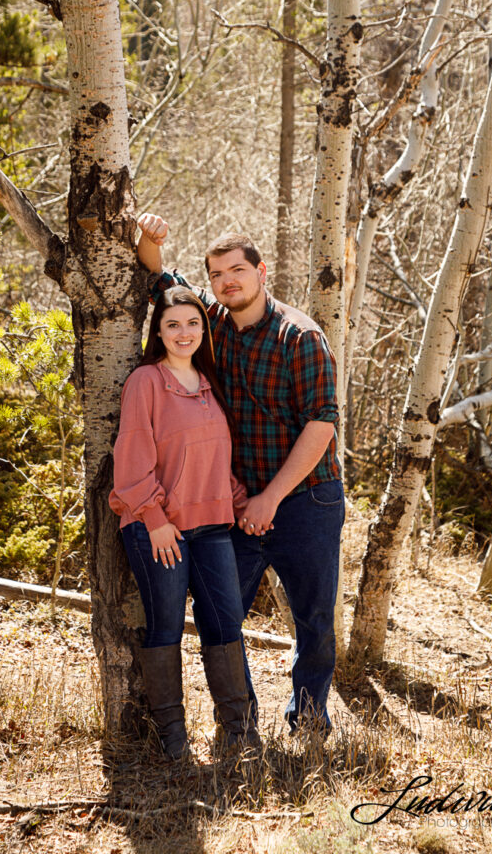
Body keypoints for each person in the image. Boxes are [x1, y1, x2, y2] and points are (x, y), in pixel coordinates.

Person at [136, 214, 345, 735]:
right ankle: (240, 722)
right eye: (217, 275)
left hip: (306, 499)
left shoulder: (301, 336)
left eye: (237, 270)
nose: (228, 281)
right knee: (219, 614)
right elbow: (160, 278)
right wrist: (150, 237)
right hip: (236, 501)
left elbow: (321, 425)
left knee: (313, 619)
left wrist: (271, 499)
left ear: (261, 271)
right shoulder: (209, 325)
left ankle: (309, 720)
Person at [109, 285, 256, 759]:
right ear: (158, 332)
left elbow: (214, 461)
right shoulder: (146, 382)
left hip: (212, 525)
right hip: (158, 528)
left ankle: (237, 733)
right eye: (172, 324)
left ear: (204, 329)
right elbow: (131, 459)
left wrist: (244, 504)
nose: (184, 332)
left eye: (192, 323)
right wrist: (153, 519)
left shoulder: (211, 386)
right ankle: (173, 741)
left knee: (225, 622)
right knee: (166, 624)